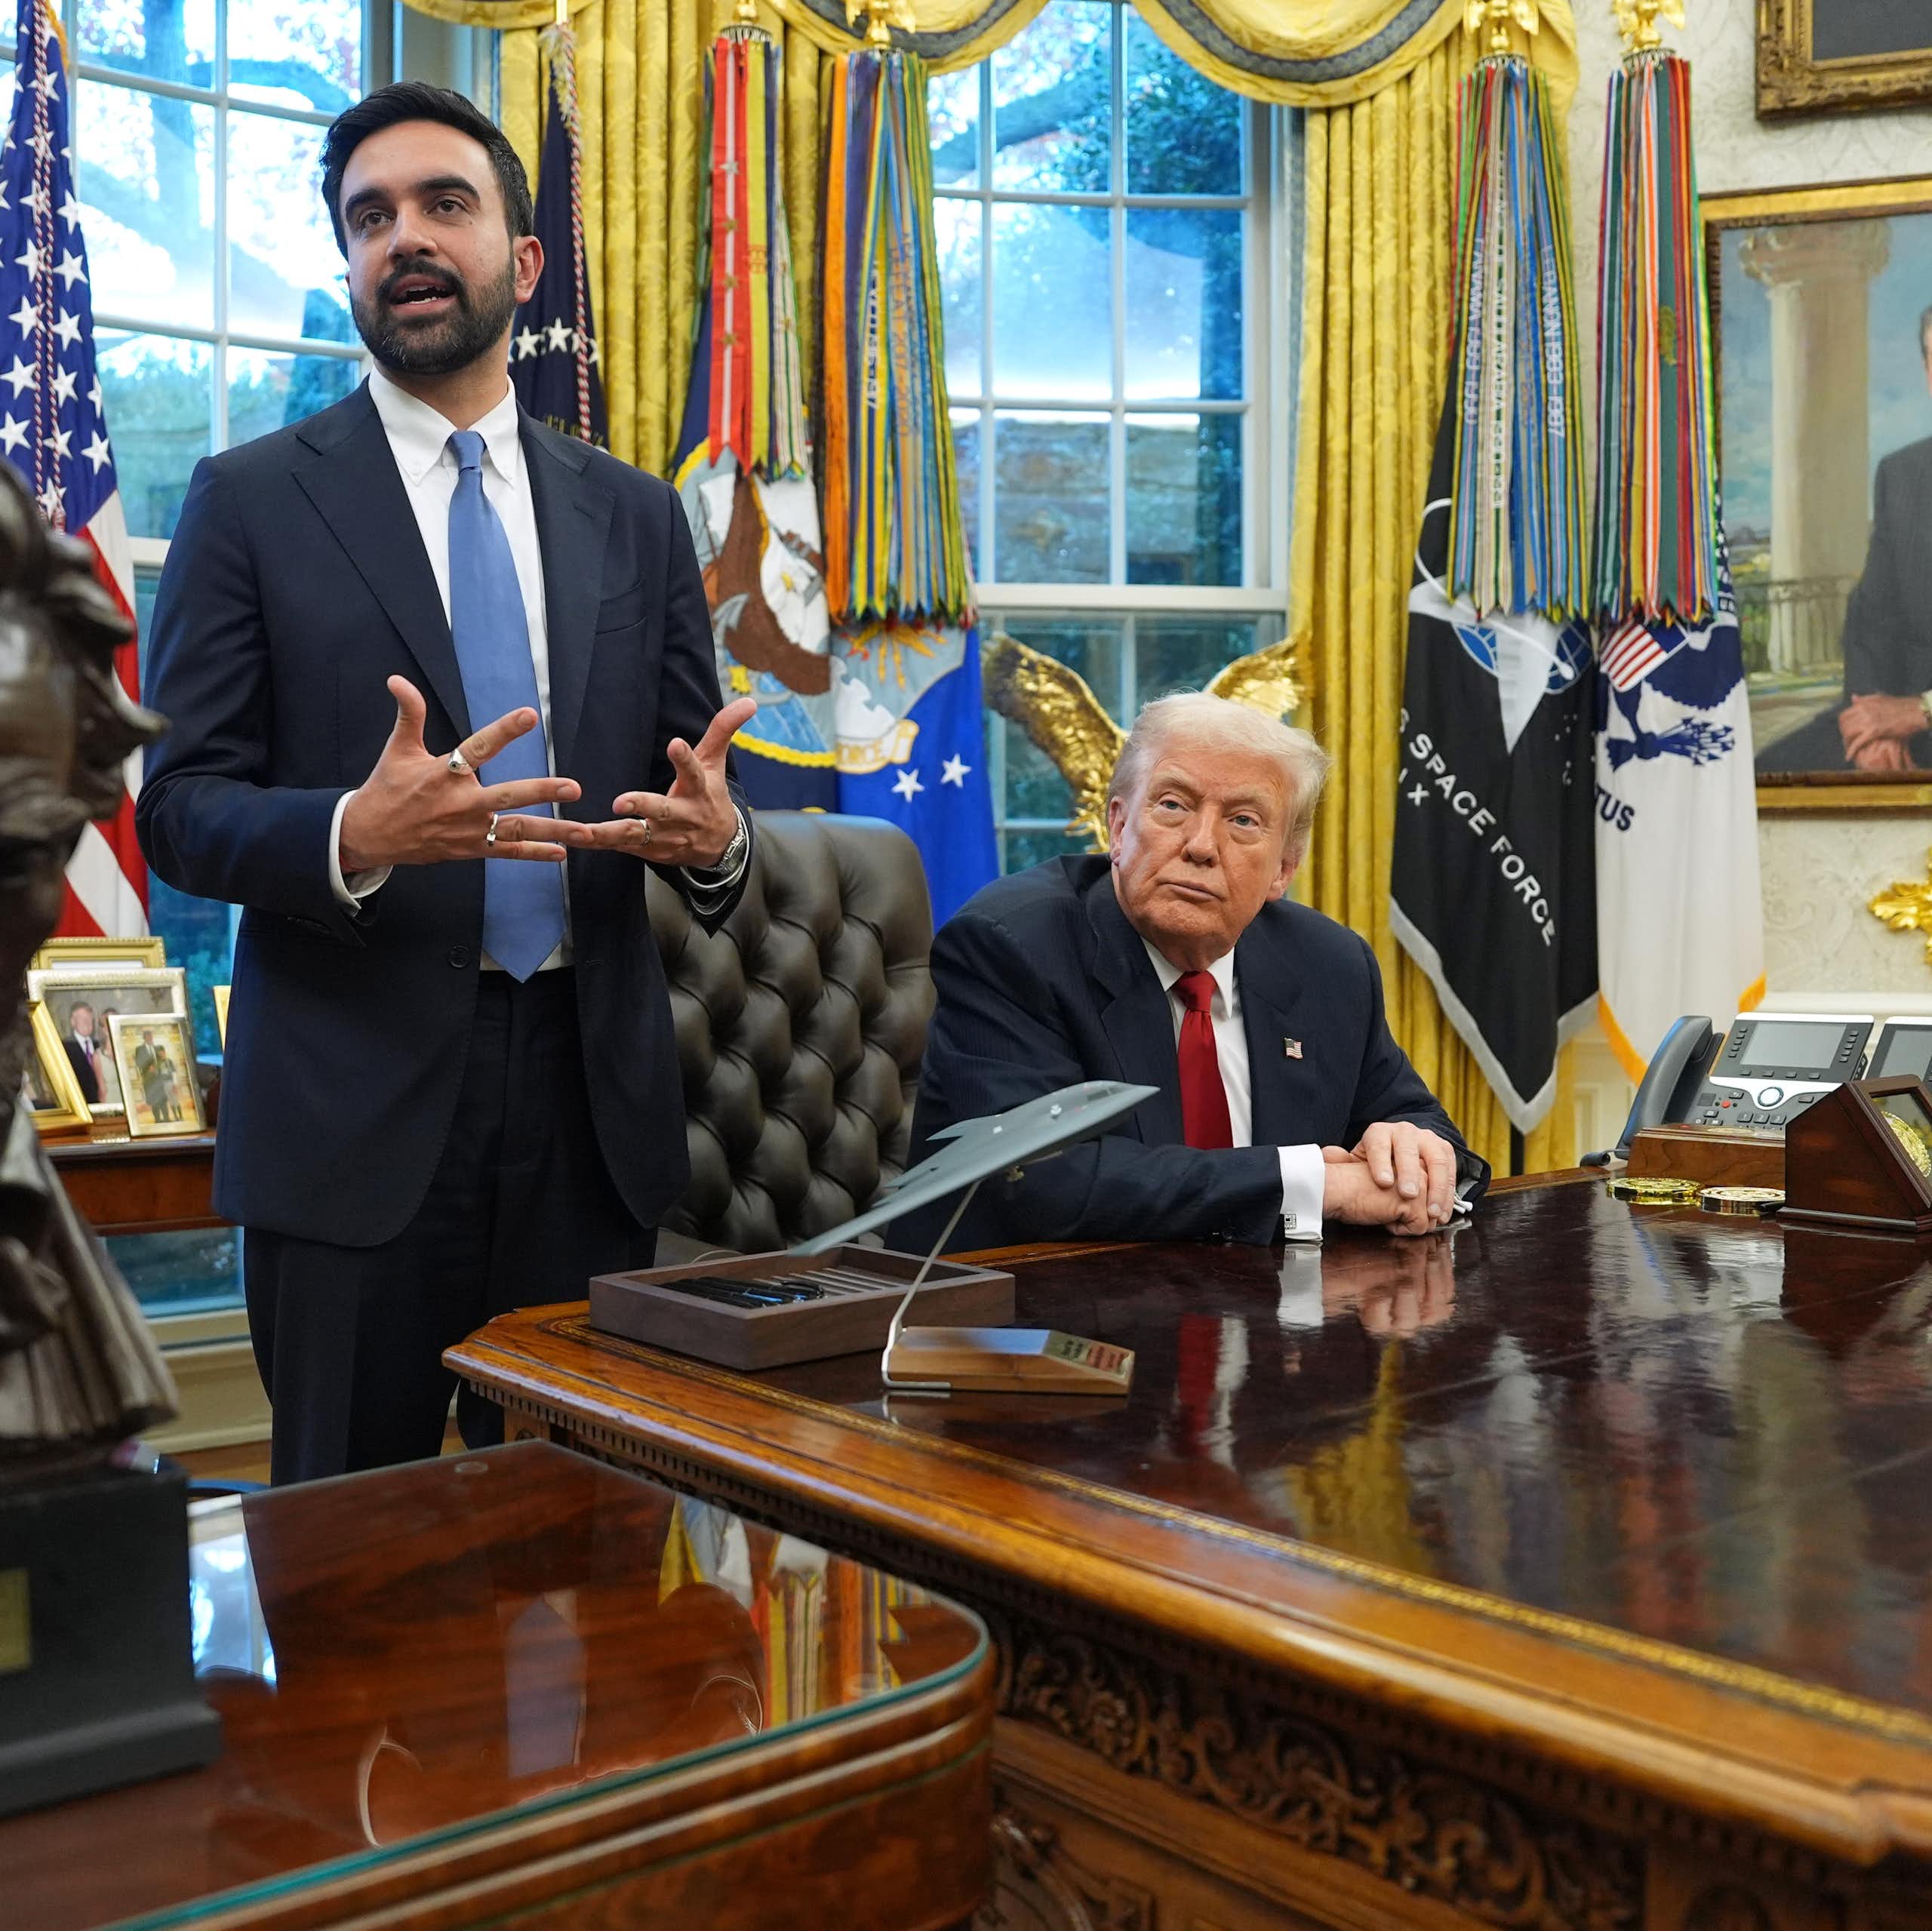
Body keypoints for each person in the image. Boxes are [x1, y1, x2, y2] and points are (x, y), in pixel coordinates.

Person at [137, 83, 756, 1485]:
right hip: (350, 1122)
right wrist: (358, 827)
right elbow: (177, 807)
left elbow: (693, 793)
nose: (404, 238)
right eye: (370, 218)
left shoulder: (637, 512)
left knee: (589, 1552)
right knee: (354, 1575)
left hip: (590, 1118)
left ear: (523, 264)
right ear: (347, 261)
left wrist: (715, 844)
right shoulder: (251, 500)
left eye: (444, 205)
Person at [898, 694, 1486, 1252]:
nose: (1202, 845)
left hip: (1268, 1324)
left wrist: (1413, 1150)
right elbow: (1040, 1181)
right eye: (1174, 805)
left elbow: (1421, 1122)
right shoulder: (1012, 947)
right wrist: (1314, 1184)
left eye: (1244, 820)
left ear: (1283, 870)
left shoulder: (1330, 965)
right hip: (1029, 1331)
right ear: (1119, 828)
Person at [1760, 305, 1932, 775]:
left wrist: (1918, 712)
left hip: (1921, 717)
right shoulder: (1902, 475)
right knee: (1768, 773)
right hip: (1895, 720)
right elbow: (1869, 621)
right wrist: (1871, 722)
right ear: (1925, 369)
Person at [132, 1027, 180, 1126]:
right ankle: (158, 1119)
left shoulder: (158, 1047)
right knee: (154, 1100)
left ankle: (166, 1118)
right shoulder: (139, 1049)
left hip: (161, 1079)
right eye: (148, 1036)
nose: (150, 1038)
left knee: (163, 1099)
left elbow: (163, 1059)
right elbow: (138, 1062)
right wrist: (148, 1068)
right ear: (145, 1037)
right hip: (149, 1080)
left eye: (151, 1036)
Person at [61, 1001, 102, 1105]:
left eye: (89, 1019)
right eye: (82, 1019)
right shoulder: (64, 1048)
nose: (87, 1022)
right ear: (73, 1022)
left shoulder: (99, 1045)